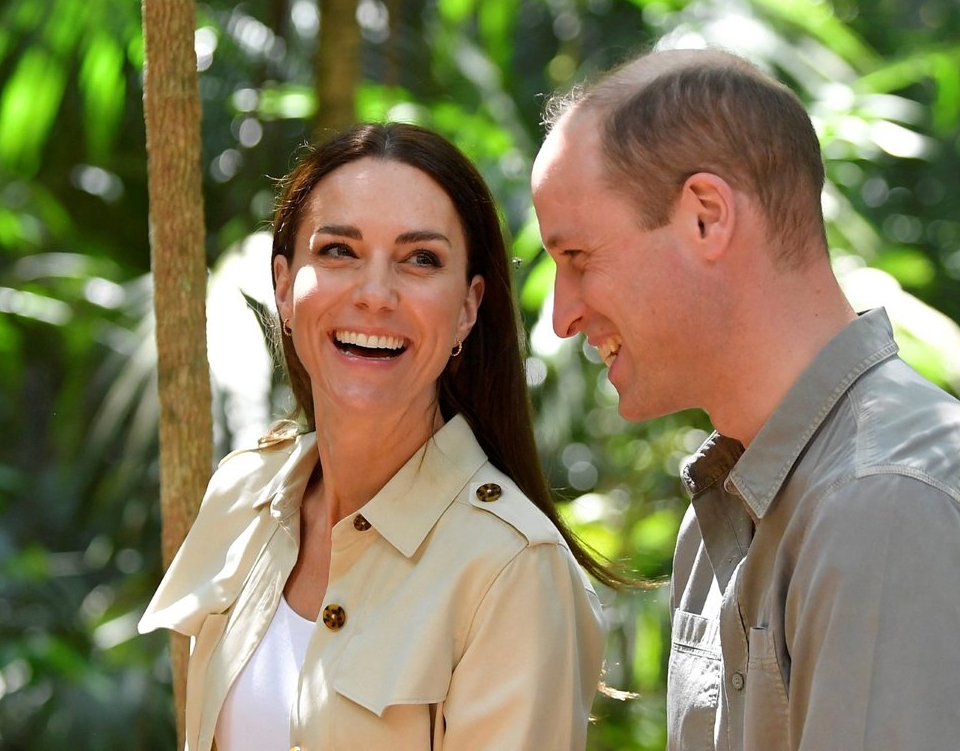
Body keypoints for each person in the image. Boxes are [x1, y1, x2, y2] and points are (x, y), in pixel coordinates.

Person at [530, 47, 960, 750]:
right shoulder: (727, 515)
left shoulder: (890, 501)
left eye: (577, 258)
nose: (561, 317)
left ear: (706, 217)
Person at [140, 122, 611, 750]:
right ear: (284, 286)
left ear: (469, 307)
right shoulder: (242, 494)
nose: (375, 295)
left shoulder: (511, 569)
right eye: (339, 250)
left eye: (422, 259)